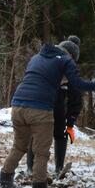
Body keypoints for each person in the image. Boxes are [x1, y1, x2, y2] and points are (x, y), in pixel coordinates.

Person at [0, 41, 95, 188]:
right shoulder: (65, 60)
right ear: (72, 56)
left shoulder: (37, 57)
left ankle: (4, 182)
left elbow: (43, 79)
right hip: (39, 110)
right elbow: (78, 84)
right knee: (42, 152)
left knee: (19, 146)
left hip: (17, 105)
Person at [26, 35, 83, 176]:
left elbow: (75, 98)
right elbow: (76, 99)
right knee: (46, 134)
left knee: (51, 133)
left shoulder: (42, 59)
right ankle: (35, 168)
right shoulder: (63, 64)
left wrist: (70, 122)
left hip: (46, 104)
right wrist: (70, 122)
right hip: (45, 104)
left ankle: (53, 168)